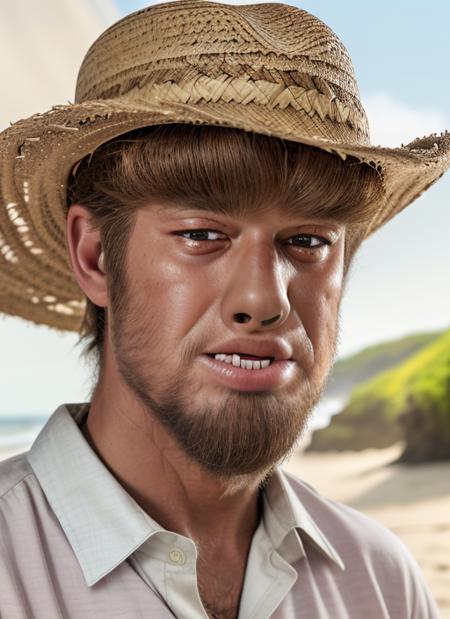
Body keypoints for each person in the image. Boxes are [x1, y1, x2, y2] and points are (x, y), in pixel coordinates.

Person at [0, 1, 448, 617]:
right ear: (97, 256)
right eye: (200, 235)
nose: (263, 301)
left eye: (309, 242)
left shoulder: (382, 582)